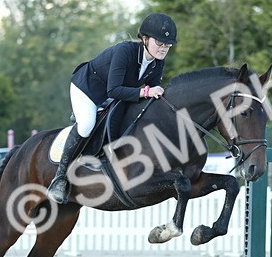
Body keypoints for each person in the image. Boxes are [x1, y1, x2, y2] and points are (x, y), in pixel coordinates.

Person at [47, 13, 177, 204]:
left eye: (168, 44)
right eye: (160, 43)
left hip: (113, 96)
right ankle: (59, 178)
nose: (164, 48)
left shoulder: (157, 61)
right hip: (88, 89)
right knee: (86, 124)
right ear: (145, 39)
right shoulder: (125, 51)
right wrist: (146, 92)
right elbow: (114, 90)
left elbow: (151, 90)